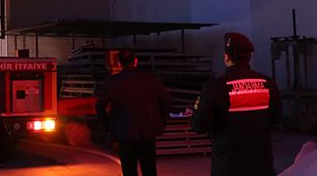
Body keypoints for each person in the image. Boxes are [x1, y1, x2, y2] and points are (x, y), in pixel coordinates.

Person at [190, 33, 281, 176]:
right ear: (249, 57)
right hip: (261, 164)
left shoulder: (215, 87)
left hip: (228, 166)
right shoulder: (268, 83)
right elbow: (276, 120)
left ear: (226, 57)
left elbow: (198, 125)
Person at [95, 49, 173, 176]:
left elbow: (99, 106)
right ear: (136, 61)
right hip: (148, 133)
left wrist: (108, 126)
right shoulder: (151, 78)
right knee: (150, 170)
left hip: (124, 135)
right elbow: (167, 101)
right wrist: (160, 122)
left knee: (129, 170)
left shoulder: (112, 82)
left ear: (119, 63)